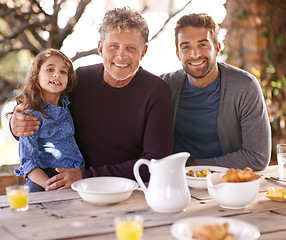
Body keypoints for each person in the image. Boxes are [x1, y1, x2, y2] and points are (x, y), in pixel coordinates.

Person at [10, 7, 173, 190]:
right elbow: (41, 110)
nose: (121, 55)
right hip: (71, 185)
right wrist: (16, 124)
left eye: (131, 48)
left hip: (128, 188)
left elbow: (156, 162)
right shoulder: (79, 80)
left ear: (143, 52)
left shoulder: (157, 91)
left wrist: (86, 176)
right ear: (100, 48)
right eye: (113, 46)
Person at [161, 13, 271, 171]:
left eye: (202, 45)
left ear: (217, 48)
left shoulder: (245, 86)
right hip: (177, 184)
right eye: (186, 47)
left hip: (227, 183)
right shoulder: (164, 87)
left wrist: (195, 167)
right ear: (178, 54)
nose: (195, 54)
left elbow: (257, 156)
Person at [8, 48, 85, 192]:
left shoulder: (68, 106)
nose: (57, 74)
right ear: (36, 76)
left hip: (73, 176)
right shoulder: (30, 116)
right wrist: (52, 185)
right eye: (50, 69)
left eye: (63, 71)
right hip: (43, 180)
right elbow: (28, 163)